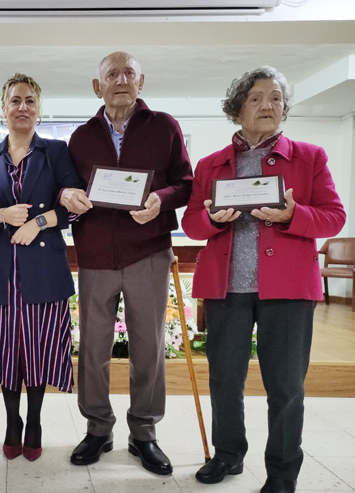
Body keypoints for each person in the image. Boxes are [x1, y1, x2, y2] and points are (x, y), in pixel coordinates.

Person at [182, 67, 345, 493]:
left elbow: (335, 215)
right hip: (226, 289)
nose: (267, 105)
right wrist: (212, 219)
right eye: (256, 98)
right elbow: (192, 223)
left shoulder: (310, 157)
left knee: (286, 386)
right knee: (224, 380)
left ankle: (283, 473)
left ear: (284, 109)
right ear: (237, 110)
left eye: (275, 97)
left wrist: (295, 215)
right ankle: (228, 455)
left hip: (289, 291)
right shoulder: (210, 165)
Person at [60, 52, 193, 474]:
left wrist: (161, 200)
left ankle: (144, 433)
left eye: (129, 73)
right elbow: (68, 188)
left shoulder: (165, 126)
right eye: (111, 74)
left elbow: (186, 183)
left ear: (141, 82)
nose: (121, 79)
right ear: (97, 87)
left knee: (149, 348)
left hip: (149, 252)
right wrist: (68, 195)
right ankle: (98, 428)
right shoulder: (80, 137)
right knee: (93, 347)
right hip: (96, 255)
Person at [0, 73, 85, 462]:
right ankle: (11, 421)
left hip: (44, 270)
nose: (23, 107)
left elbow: (74, 205)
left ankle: (34, 420)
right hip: (2, 273)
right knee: (6, 352)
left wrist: (37, 222)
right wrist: (1, 213)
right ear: (3, 110)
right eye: (15, 101)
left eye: (30, 101)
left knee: (38, 352)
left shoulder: (56, 152)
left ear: (39, 109)